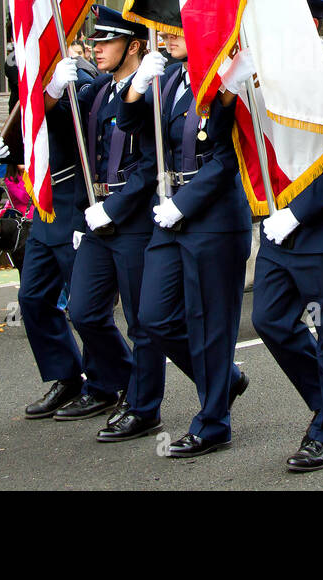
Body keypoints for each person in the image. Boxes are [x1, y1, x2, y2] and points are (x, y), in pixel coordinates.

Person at [119, 29, 251, 457]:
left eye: (179, 28)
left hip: (211, 216)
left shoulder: (225, 79)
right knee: (153, 316)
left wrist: (186, 203)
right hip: (171, 211)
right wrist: (136, 90)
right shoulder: (172, 77)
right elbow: (136, 131)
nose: (169, 36)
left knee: (210, 326)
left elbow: (228, 156)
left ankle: (213, 423)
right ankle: (223, 380)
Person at [249, 0, 323, 472]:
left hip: (320, 231)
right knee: (270, 321)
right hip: (277, 229)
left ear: (312, 28)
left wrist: (300, 212)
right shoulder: (265, 84)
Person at [0, 55, 121, 421]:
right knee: (33, 296)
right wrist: (7, 149)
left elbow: (83, 133)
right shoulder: (31, 88)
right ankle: (67, 375)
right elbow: (30, 138)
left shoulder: (75, 76)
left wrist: (55, 94)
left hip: (71, 198)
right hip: (43, 202)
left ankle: (107, 382)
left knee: (85, 306)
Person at [67, 7, 164, 431]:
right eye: (96, 40)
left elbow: (150, 162)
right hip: (96, 215)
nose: (97, 47)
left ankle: (144, 409)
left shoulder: (153, 89)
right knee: (84, 311)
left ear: (135, 45)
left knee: (142, 323)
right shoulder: (100, 90)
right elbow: (68, 134)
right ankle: (125, 381)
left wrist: (114, 209)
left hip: (134, 217)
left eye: (107, 40)